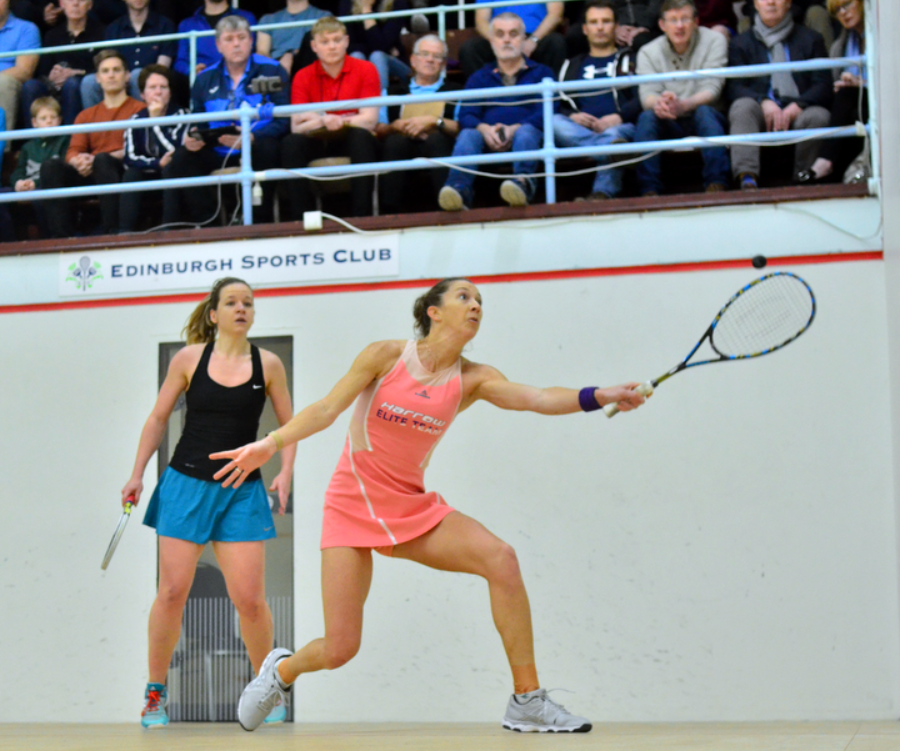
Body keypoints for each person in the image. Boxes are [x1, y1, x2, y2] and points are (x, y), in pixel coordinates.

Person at [207, 277, 648, 733]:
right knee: (340, 648)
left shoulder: (475, 379)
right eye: (464, 297)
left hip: (408, 507)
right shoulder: (385, 355)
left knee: (502, 560)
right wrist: (270, 444)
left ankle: (527, 700)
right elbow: (326, 408)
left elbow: (536, 398)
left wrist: (601, 395)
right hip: (351, 504)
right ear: (433, 311)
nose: (475, 305)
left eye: (480, 301)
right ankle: (281, 672)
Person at [121, 277, 296, 729]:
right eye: (232, 303)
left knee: (251, 601)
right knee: (173, 592)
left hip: (242, 490)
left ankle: (267, 689)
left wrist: (286, 473)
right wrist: (137, 473)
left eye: (249, 303)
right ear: (214, 314)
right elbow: (159, 417)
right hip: (185, 486)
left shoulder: (269, 364)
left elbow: (289, 425)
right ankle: (155, 694)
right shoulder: (188, 359)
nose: (242, 309)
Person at [166, 16, 289, 225]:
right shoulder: (205, 78)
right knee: (181, 158)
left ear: (251, 41)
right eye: (229, 39)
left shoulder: (273, 70)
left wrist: (252, 137)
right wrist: (194, 137)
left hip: (257, 143)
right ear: (218, 45)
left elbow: (283, 118)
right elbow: (199, 121)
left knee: (268, 147)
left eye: (241, 38)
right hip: (219, 147)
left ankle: (258, 220)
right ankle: (208, 224)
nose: (236, 44)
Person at [438, 13, 555, 211]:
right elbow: (466, 115)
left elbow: (548, 111)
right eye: (500, 34)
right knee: (468, 134)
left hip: (527, 136)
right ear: (492, 41)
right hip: (488, 137)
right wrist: (484, 129)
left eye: (513, 34)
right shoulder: (479, 77)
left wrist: (515, 128)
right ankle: (458, 189)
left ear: (524, 39)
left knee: (527, 132)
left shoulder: (542, 73)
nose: (507, 39)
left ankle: (522, 185)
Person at [280, 16, 379, 221]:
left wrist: (329, 120)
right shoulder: (302, 76)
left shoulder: (366, 69)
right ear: (314, 46)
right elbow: (296, 127)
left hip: (354, 139)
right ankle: (302, 219)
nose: (332, 46)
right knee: (291, 144)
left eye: (336, 40)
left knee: (361, 137)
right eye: (325, 42)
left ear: (346, 42)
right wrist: (325, 120)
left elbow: (369, 120)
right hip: (318, 139)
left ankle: (364, 218)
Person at [726, 0, 831, 190]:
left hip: (800, 108)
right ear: (756, 4)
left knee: (819, 116)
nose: (771, 2)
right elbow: (734, 87)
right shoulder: (740, 43)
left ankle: (804, 179)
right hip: (761, 110)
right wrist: (763, 101)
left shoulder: (811, 38)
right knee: (742, 107)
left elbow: (823, 84)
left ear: (789, 3)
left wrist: (798, 105)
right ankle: (747, 177)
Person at [40, 49, 145, 236]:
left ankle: (110, 231)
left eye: (116, 70)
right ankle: (62, 236)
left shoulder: (140, 110)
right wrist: (79, 161)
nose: (111, 75)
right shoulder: (86, 115)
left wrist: (96, 159)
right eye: (105, 71)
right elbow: (73, 151)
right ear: (97, 78)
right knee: (50, 166)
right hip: (91, 173)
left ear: (127, 75)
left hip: (122, 171)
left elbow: (140, 147)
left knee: (103, 160)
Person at [633, 0, 730, 196]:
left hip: (704, 114)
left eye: (685, 19)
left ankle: (717, 184)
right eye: (673, 20)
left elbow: (713, 89)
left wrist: (684, 104)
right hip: (669, 118)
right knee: (647, 118)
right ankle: (649, 190)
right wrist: (661, 103)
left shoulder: (715, 40)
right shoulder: (647, 52)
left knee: (705, 113)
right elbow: (647, 96)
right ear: (662, 25)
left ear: (696, 21)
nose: (679, 26)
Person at [553, 0, 640, 201]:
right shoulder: (571, 65)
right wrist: (572, 116)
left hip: (620, 126)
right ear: (584, 29)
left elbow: (642, 97)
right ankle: (612, 150)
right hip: (581, 130)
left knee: (614, 134)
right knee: (554, 122)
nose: (600, 27)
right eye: (594, 22)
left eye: (606, 21)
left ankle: (602, 193)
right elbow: (558, 103)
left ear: (616, 27)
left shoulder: (631, 59)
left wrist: (619, 117)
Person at [377, 34, 461, 215]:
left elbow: (460, 128)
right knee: (394, 142)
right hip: (402, 145)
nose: (430, 59)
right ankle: (389, 213)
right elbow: (379, 130)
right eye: (424, 54)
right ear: (413, 60)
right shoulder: (392, 93)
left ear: (444, 64)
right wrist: (395, 126)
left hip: (439, 145)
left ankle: (448, 208)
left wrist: (434, 121)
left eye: (436, 56)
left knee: (438, 139)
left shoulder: (457, 92)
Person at [805, 0, 867, 184]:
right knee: (843, 97)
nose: (843, 13)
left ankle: (824, 163)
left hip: (883, 104)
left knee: (846, 96)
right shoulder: (840, 45)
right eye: (836, 10)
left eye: (847, 4)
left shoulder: (884, 37)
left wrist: (861, 83)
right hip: (854, 109)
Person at [119, 65, 188, 232]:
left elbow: (174, 151)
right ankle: (124, 233)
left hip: (172, 175)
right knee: (131, 174)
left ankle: (168, 230)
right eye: (152, 88)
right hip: (147, 174)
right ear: (143, 95)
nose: (158, 92)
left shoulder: (181, 115)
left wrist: (155, 122)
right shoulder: (135, 119)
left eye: (163, 87)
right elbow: (130, 158)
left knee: (171, 168)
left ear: (170, 92)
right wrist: (156, 164)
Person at [80, 0, 178, 109]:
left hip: (150, 82)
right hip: (119, 77)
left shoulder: (165, 25)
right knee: (88, 82)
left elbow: (161, 68)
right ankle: (94, 123)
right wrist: (123, 77)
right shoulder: (113, 29)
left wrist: (132, 77)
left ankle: (142, 121)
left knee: (137, 75)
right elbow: (109, 61)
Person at [22, 0, 106, 125]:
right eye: (70, 0)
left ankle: (70, 140)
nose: (75, 4)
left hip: (80, 87)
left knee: (71, 83)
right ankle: (31, 141)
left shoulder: (102, 32)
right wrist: (52, 77)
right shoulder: (52, 35)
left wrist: (76, 73)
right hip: (54, 88)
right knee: (31, 86)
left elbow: (104, 68)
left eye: (81, 0)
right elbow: (42, 72)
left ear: (90, 5)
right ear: (61, 4)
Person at [460, 0, 566, 79]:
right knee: (470, 48)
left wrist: (533, 40)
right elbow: (481, 20)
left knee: (556, 42)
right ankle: (486, 99)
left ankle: (549, 97)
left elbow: (555, 14)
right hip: (500, 37)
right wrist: (496, 41)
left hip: (536, 37)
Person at [9, 96, 68, 236]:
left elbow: (61, 172)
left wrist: (34, 184)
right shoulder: (28, 147)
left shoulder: (64, 141)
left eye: (53, 117)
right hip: (27, 186)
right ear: (34, 122)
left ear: (59, 120)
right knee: (4, 196)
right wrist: (18, 182)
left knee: (41, 197)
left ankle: (48, 239)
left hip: (45, 188)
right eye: (43, 118)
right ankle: (9, 243)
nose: (49, 121)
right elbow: (19, 170)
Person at [338, 0, 412, 92]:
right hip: (364, 57)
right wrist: (383, 47)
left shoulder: (397, 3)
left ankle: (380, 105)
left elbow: (380, 46)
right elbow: (349, 45)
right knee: (356, 56)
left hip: (394, 63)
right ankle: (356, 105)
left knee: (378, 56)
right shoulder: (347, 2)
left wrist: (366, 10)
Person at [173, 0, 256, 78]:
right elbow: (180, 62)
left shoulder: (246, 18)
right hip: (204, 82)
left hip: (241, 77)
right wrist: (191, 70)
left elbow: (254, 53)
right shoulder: (187, 25)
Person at [257, 0, 329, 75]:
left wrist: (291, 55)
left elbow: (325, 48)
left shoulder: (323, 17)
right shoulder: (268, 20)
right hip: (276, 67)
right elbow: (262, 52)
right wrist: (275, 69)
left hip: (309, 66)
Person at [0, 0, 39, 132]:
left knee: (2, 82)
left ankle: (3, 147)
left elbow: (24, 71)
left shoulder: (26, 29)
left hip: (8, 84)